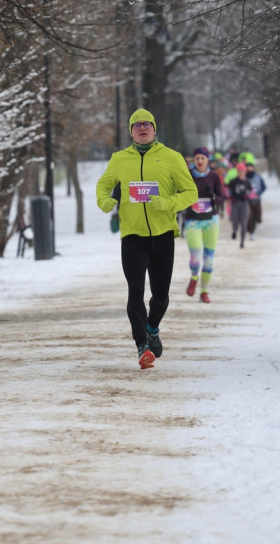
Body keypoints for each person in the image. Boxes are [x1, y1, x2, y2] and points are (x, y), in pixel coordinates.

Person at [96, 109, 198, 369]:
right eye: (137, 125)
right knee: (135, 293)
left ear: (155, 129)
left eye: (147, 124)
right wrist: (105, 200)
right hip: (132, 236)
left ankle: (152, 328)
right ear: (131, 131)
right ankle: (142, 345)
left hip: (163, 234)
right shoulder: (119, 159)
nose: (142, 128)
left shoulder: (172, 158)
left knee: (160, 297)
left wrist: (168, 203)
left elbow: (190, 193)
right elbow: (104, 185)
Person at [181, 147, 224, 303]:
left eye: (203, 158)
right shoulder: (187, 175)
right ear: (194, 160)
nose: (200, 161)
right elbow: (180, 194)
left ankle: (204, 291)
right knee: (196, 255)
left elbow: (221, 198)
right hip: (192, 220)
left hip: (211, 220)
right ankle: (194, 277)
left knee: (209, 259)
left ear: (207, 160)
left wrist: (213, 197)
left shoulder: (214, 176)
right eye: (197, 158)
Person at [226, 162, 252, 249]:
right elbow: (228, 191)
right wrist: (229, 199)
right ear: (237, 172)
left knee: (244, 223)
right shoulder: (233, 181)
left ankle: (242, 241)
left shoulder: (247, 182)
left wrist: (248, 195)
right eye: (240, 171)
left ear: (245, 172)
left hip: (244, 204)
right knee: (234, 220)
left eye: (243, 171)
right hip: (235, 203)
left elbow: (251, 192)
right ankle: (234, 230)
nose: (241, 172)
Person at [244, 161, 266, 239]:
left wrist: (258, 194)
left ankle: (257, 224)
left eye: (251, 168)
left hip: (256, 201)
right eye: (248, 168)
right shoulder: (244, 178)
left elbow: (264, 187)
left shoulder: (258, 177)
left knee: (257, 215)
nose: (249, 169)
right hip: (247, 201)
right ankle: (251, 232)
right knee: (249, 217)